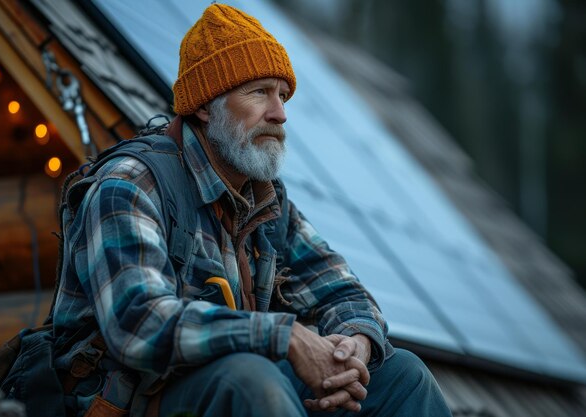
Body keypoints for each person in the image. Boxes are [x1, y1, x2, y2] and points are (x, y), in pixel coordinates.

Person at [53, 3, 452, 417]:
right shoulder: (131, 184)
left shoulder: (265, 199)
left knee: (403, 374)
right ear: (206, 106)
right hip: (126, 402)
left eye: (282, 95)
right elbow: (138, 323)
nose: (280, 113)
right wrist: (285, 337)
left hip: (236, 388)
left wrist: (354, 345)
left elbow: (342, 289)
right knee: (251, 379)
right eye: (260, 92)